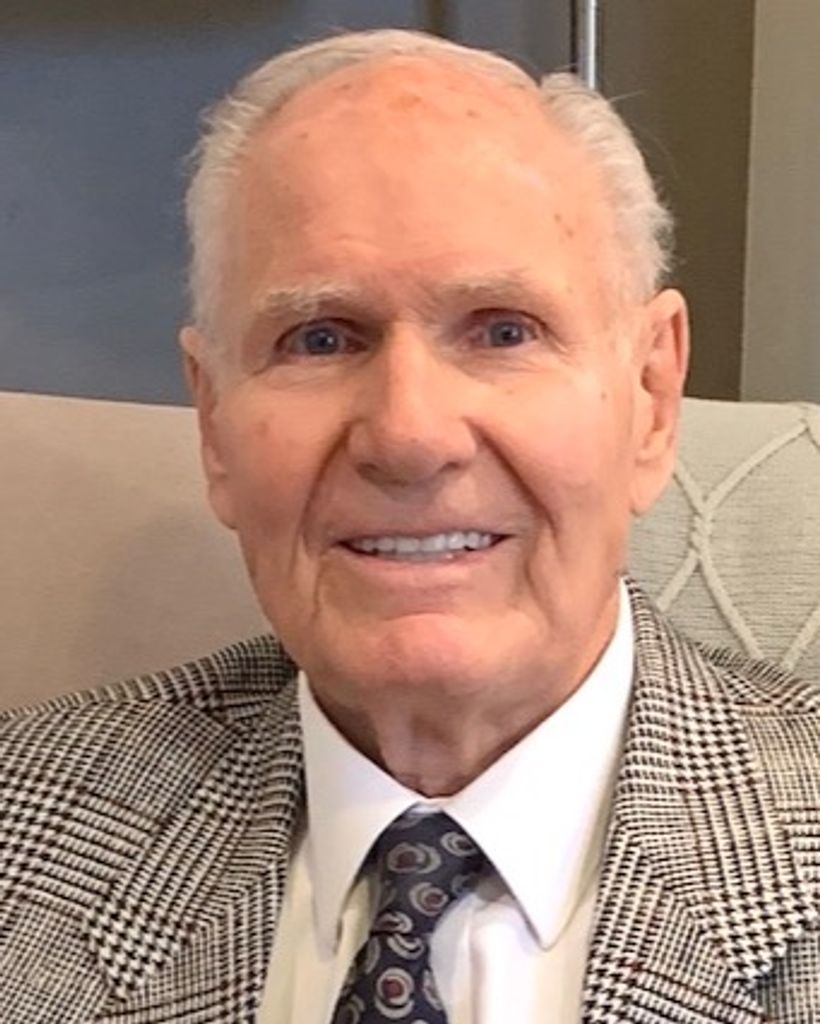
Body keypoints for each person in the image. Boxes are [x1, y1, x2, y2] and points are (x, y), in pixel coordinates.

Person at [1, 28, 818, 1024]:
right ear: (213, 424)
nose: (408, 435)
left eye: (503, 330)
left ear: (650, 396)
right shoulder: (23, 830)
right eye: (320, 338)